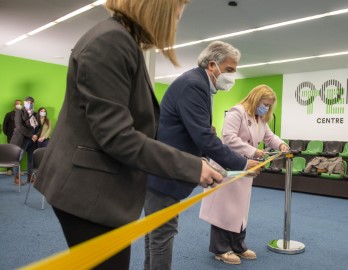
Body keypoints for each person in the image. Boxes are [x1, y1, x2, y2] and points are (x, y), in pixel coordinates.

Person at [34, 1, 224, 269]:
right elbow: (118, 136)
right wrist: (192, 166)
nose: (176, 23)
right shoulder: (112, 41)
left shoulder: (122, 41)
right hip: (87, 190)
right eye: (176, 14)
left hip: (95, 185)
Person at [144, 41, 260, 270]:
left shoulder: (198, 84)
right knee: (161, 236)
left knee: (156, 234)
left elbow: (195, 134)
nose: (232, 76)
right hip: (165, 172)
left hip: (164, 169)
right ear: (212, 65)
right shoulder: (194, 85)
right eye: (229, 70)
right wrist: (243, 163)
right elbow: (204, 138)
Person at [199, 84, 289, 265]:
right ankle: (221, 249)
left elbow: (269, 136)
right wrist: (253, 152)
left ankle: (238, 245)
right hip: (230, 166)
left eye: (269, 106)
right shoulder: (236, 112)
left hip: (246, 170)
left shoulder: (261, 119)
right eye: (264, 104)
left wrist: (281, 144)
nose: (266, 108)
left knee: (240, 209)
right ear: (255, 99)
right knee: (223, 209)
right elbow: (229, 138)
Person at [10, 96, 39, 184]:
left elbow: (37, 127)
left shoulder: (34, 113)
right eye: (28, 102)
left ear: (33, 103)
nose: (29, 103)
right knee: (18, 159)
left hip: (31, 140)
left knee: (31, 159)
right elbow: (19, 127)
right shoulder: (19, 112)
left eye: (31, 102)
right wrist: (31, 135)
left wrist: (36, 135)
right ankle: (16, 178)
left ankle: (30, 177)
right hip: (21, 139)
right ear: (25, 102)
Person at [2, 99, 22, 175]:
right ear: (14, 105)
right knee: (10, 152)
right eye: (17, 104)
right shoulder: (9, 114)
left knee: (19, 153)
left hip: (20, 137)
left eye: (20, 104)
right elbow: (4, 126)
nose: (19, 105)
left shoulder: (22, 114)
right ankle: (9, 169)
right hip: (11, 137)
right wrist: (8, 134)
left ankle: (17, 170)